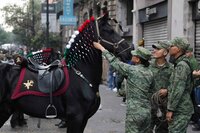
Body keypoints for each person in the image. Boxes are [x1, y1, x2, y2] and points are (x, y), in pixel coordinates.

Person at [93, 42, 154, 133]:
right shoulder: (150, 73)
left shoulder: (131, 70)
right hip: (147, 112)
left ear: (138, 59)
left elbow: (114, 61)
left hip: (134, 113)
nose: (131, 56)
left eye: (134, 55)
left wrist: (101, 48)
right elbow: (152, 90)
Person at [166, 37, 194, 133]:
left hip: (180, 109)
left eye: (172, 46)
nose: (169, 47)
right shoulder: (179, 63)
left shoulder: (181, 65)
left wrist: (171, 109)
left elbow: (178, 89)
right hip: (181, 108)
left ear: (178, 49)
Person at [149, 41, 174, 133]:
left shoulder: (172, 68)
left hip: (163, 106)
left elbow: (176, 86)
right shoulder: (148, 66)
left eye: (158, 49)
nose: (154, 51)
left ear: (165, 53)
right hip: (149, 105)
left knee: (162, 130)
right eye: (154, 49)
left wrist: (167, 90)